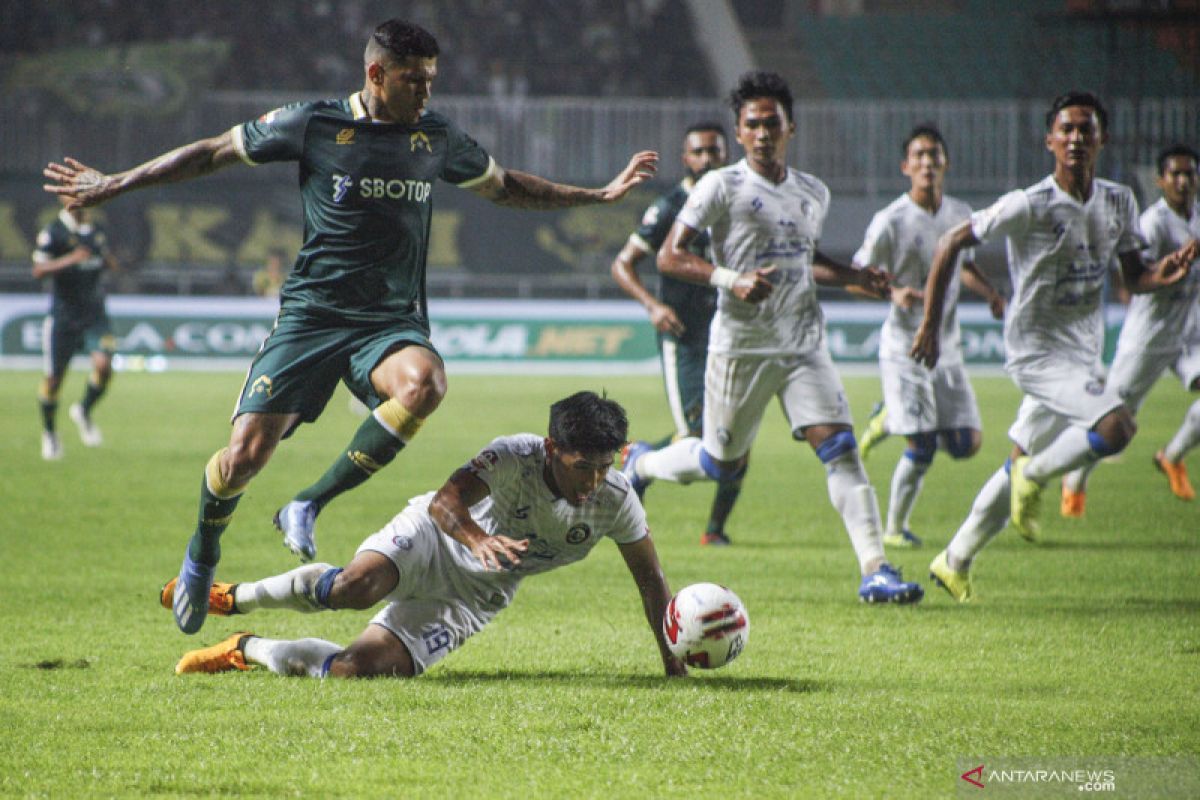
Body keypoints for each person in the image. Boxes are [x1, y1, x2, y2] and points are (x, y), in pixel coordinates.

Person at [44, 19, 659, 635]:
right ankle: (203, 551)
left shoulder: (436, 137)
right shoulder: (312, 124)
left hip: (387, 322)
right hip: (311, 316)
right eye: (413, 81)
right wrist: (116, 183)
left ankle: (308, 502)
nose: (425, 94)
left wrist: (598, 196)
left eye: (430, 81)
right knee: (243, 457)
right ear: (375, 74)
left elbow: (508, 187)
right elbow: (212, 152)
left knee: (426, 384)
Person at [622, 71, 923, 604]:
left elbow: (806, 262)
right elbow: (670, 255)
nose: (763, 133)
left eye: (772, 123)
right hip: (740, 345)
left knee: (840, 449)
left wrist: (855, 276)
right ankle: (642, 462)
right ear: (739, 133)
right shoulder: (722, 186)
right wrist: (729, 279)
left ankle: (876, 569)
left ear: (791, 128)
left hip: (803, 342)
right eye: (753, 124)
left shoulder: (813, 191)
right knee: (720, 463)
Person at [163, 391, 688, 680]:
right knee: (353, 588)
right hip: (436, 537)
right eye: (581, 467)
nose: (592, 481)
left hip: (478, 594)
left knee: (352, 672)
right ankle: (238, 597)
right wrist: (478, 538)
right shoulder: (515, 453)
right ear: (553, 448)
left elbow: (651, 580)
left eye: (603, 467)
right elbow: (445, 503)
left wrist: (672, 659)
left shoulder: (616, 500)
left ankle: (246, 649)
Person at [912, 92, 1199, 602]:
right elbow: (948, 242)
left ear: (1101, 139)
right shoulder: (1031, 204)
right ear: (1050, 141)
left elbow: (1135, 275)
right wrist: (930, 325)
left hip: (1082, 351)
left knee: (1015, 456)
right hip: (1035, 351)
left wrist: (1164, 273)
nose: (1076, 138)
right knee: (1116, 427)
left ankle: (953, 559)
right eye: (1066, 130)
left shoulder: (1118, 201)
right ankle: (1038, 474)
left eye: (1086, 129)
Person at [851, 124, 1005, 549]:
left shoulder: (960, 214)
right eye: (918, 156)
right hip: (905, 347)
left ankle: (887, 417)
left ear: (945, 163)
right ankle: (894, 529)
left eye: (934, 155)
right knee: (922, 446)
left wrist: (992, 293)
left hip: (947, 347)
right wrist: (891, 290)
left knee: (966, 444)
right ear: (906, 167)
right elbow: (855, 277)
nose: (927, 163)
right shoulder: (890, 221)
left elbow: (964, 265)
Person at [611, 122, 747, 546]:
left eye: (715, 151)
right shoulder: (670, 207)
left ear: (726, 154)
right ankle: (641, 463)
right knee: (698, 438)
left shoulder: (736, 201)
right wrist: (654, 306)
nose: (708, 159)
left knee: (737, 432)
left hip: (731, 336)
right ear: (686, 158)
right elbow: (622, 264)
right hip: (685, 338)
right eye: (699, 152)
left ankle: (714, 531)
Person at [1060, 144, 1200, 513]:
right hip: (1149, 337)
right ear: (1161, 181)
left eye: (1190, 173)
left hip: (1190, 333)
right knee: (1114, 419)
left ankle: (1172, 456)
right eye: (1176, 174)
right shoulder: (1153, 224)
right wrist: (1166, 272)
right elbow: (1134, 277)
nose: (1184, 181)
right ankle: (1074, 479)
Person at [31, 195, 121, 461]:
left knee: (104, 366)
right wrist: (71, 259)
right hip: (63, 317)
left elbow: (106, 261)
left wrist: (109, 261)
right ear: (65, 200)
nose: (84, 201)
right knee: (54, 380)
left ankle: (82, 410)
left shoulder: (97, 230)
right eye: (77, 196)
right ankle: (49, 433)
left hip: (95, 314)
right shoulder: (53, 232)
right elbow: (38, 270)